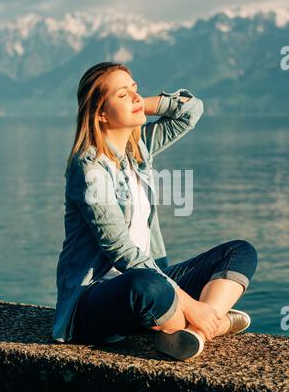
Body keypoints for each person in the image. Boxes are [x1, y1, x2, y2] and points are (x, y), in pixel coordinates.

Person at [52, 61, 258, 361]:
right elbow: (120, 250)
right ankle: (214, 320)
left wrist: (136, 105)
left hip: (155, 281)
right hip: (95, 301)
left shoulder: (140, 148)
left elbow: (191, 111)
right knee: (147, 286)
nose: (136, 97)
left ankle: (195, 332)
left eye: (135, 89)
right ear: (99, 112)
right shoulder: (89, 167)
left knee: (240, 252)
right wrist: (190, 304)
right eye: (122, 95)